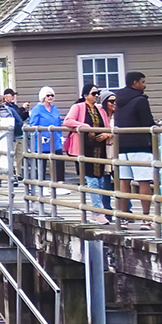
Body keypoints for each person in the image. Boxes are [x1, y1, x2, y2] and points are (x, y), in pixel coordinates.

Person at [113, 71, 157, 229]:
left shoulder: (119, 100)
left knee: (124, 182)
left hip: (122, 145)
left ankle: (123, 218)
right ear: (135, 83)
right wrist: (155, 126)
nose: (144, 85)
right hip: (139, 145)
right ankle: (146, 218)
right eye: (143, 82)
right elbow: (147, 123)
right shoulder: (140, 100)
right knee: (143, 181)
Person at [64, 84, 112, 223]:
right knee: (91, 180)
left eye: (98, 93)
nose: (96, 96)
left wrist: (105, 135)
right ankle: (97, 211)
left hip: (99, 148)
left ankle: (98, 212)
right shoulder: (78, 107)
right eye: (93, 93)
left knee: (101, 180)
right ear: (85, 95)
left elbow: (107, 127)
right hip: (84, 148)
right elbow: (68, 121)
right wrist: (85, 126)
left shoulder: (100, 110)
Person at [30, 86, 65, 185]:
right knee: (42, 163)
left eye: (52, 95)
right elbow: (33, 125)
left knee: (59, 160)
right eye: (48, 95)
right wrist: (38, 135)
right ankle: (42, 183)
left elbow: (58, 122)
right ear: (43, 97)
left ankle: (59, 182)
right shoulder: (37, 109)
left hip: (55, 138)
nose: (50, 97)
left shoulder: (54, 109)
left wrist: (61, 136)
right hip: (42, 139)